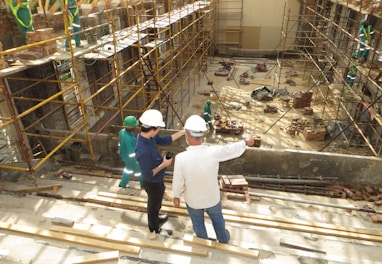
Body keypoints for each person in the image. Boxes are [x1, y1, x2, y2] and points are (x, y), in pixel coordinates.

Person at [172, 115, 256, 243]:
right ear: (203, 136)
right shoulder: (213, 152)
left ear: (186, 135)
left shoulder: (181, 158)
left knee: (198, 224)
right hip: (212, 198)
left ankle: (202, 241)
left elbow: (178, 180)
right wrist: (245, 142)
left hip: (193, 200)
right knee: (218, 219)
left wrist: (176, 195)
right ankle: (223, 238)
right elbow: (230, 149)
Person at [135, 109, 185, 234]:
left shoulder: (149, 137)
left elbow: (165, 140)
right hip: (152, 182)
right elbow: (148, 174)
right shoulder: (143, 150)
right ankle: (153, 227)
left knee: (156, 201)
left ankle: (156, 218)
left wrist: (183, 132)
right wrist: (164, 164)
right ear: (153, 129)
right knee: (153, 203)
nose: (159, 131)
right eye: (158, 128)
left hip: (157, 180)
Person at [118, 116, 142, 188]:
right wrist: (137, 160)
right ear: (131, 127)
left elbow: (120, 144)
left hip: (125, 156)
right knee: (140, 172)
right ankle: (144, 185)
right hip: (132, 159)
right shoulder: (128, 139)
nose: (136, 127)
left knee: (128, 170)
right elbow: (131, 152)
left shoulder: (122, 132)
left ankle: (122, 183)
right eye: (135, 126)